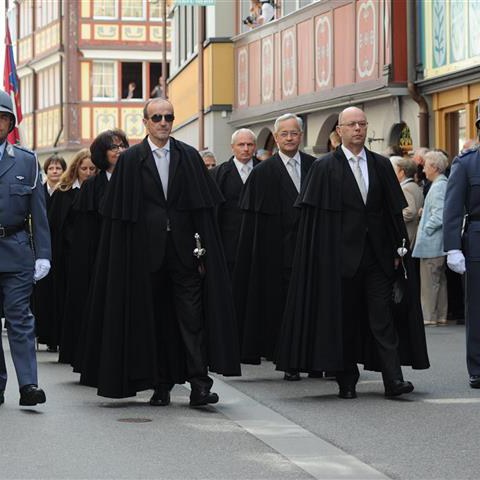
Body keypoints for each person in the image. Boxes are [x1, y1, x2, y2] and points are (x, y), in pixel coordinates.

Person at [78, 98, 240, 406]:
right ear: (146, 122)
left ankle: (199, 385)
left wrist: (204, 249)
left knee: (192, 319)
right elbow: (120, 215)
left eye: (168, 116)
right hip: (144, 255)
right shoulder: (131, 160)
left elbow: (203, 209)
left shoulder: (189, 156)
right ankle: (160, 384)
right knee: (152, 320)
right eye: (157, 117)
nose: (163, 122)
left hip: (184, 254)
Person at [275, 106, 429, 399]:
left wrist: (399, 248)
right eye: (352, 124)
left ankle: (393, 379)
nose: (358, 129)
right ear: (339, 131)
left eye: (362, 124)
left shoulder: (381, 165)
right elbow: (313, 221)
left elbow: (393, 212)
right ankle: (346, 378)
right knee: (342, 319)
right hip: (339, 260)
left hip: (378, 258)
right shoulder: (324, 168)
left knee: (381, 318)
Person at [233, 113, 315, 377]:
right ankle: (288, 361)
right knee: (282, 310)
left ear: (301, 136)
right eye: (284, 134)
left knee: (313, 306)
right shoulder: (262, 173)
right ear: (276, 138)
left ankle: (314, 359)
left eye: (294, 133)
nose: (290, 138)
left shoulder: (316, 167)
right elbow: (251, 226)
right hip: (277, 255)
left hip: (311, 252)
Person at [0, 89, 51, 407]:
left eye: (2, 118)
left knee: (20, 318)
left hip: (17, 250)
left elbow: (39, 213)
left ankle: (28, 385)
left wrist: (43, 254)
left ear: (10, 123)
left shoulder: (27, 161)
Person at [61, 130, 129, 366]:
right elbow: (83, 233)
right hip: (96, 257)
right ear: (102, 152)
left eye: (122, 146)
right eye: (113, 147)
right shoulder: (92, 187)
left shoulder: (136, 181)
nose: (119, 151)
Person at [45, 149, 96, 354]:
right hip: (67, 255)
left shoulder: (100, 189)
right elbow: (55, 225)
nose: (88, 172)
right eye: (84, 168)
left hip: (92, 253)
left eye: (92, 168)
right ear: (76, 169)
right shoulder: (64, 192)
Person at [443, 102, 480, 388]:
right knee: (477, 307)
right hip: (477, 239)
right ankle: (478, 367)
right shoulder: (466, 163)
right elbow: (453, 208)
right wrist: (452, 247)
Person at [211, 129, 259, 276]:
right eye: (241, 144)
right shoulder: (218, 174)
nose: (246, 149)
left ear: (255, 146)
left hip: (258, 243)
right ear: (232, 147)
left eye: (250, 144)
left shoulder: (266, 170)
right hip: (229, 246)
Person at [34, 154, 67, 351]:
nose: (55, 172)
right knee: (43, 292)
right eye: (51, 168)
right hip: (43, 245)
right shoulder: (40, 190)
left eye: (58, 168)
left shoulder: (66, 191)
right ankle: (44, 332)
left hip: (61, 246)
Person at [412, 150, 448, 326]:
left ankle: (429, 316)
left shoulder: (439, 186)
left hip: (432, 243)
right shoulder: (440, 184)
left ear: (434, 167)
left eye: (426, 166)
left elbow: (439, 215)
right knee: (438, 282)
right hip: (437, 243)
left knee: (430, 283)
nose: (424, 170)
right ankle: (439, 315)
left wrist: (426, 227)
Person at [390, 156, 424, 248]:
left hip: (409, 233)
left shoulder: (405, 188)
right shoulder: (414, 186)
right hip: (414, 233)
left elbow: (409, 212)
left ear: (402, 172)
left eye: (395, 170)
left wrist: (392, 216)